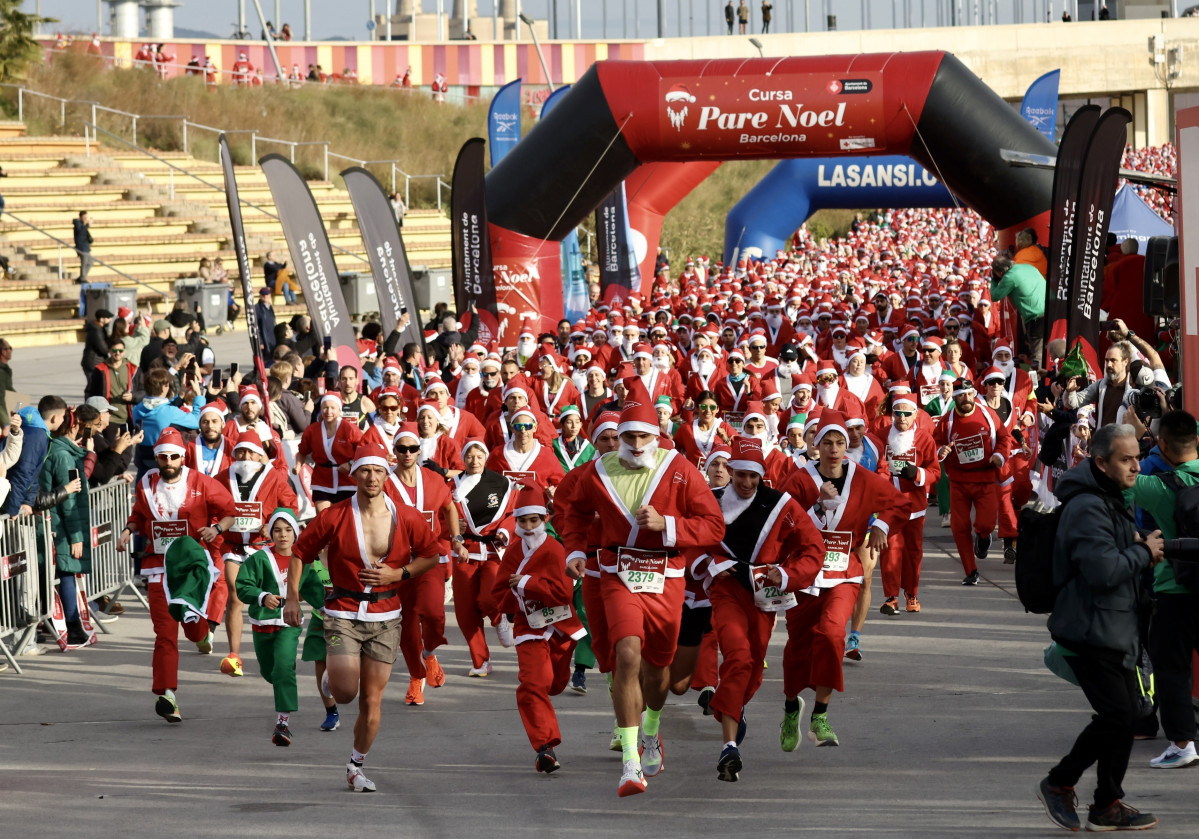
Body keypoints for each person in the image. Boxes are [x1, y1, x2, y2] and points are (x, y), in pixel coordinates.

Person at [558, 380, 725, 796]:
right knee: (626, 652)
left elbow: (713, 525)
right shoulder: (597, 472)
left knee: (658, 670)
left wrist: (668, 525)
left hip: (666, 579)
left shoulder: (680, 469)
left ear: (657, 435)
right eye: (628, 436)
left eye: (642, 436)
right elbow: (573, 512)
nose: (634, 444)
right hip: (616, 573)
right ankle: (630, 762)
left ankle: (651, 726)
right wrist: (575, 550)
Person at [285, 442, 440, 793]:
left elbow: (431, 555)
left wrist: (397, 575)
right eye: (365, 471)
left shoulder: (406, 516)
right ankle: (331, 680)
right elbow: (300, 551)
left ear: (387, 474)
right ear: (354, 474)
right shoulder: (334, 515)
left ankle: (355, 765)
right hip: (342, 612)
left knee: (372, 701)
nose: (372, 477)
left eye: (378, 471)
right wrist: (292, 597)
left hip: (386, 616)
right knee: (344, 694)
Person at [1036, 424, 1162, 832]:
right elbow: (1103, 570)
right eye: (1125, 459)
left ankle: (1107, 804)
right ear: (1101, 462)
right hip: (1089, 628)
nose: (1135, 466)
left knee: (1126, 717)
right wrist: (1143, 551)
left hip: (1113, 626)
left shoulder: (1110, 498)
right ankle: (1059, 783)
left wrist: (1140, 547)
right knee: (1117, 715)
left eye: (1136, 457)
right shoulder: (1088, 506)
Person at [777, 410, 910, 749]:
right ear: (815, 445)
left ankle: (820, 716)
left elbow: (899, 504)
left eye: (840, 442)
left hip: (844, 572)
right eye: (827, 443)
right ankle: (792, 707)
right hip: (804, 575)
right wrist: (817, 508)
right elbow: (780, 523)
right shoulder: (799, 480)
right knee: (798, 648)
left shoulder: (863, 478)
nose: (835, 449)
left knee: (833, 634)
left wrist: (880, 526)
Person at [698, 436, 823, 781]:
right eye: (741, 475)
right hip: (726, 592)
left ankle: (730, 710)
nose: (747, 482)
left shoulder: (780, 504)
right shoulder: (710, 502)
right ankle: (729, 748)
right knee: (738, 657)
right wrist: (710, 565)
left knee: (752, 670)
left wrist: (785, 574)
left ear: (762, 475)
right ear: (730, 470)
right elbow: (690, 540)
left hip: (764, 597)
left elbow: (813, 548)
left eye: (754, 476)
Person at [115, 428, 237, 722]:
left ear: (182, 457)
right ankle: (167, 695)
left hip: (192, 570)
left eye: (173, 456)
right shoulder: (146, 483)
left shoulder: (201, 483)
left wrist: (217, 528)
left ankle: (203, 633)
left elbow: (230, 510)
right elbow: (139, 515)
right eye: (162, 456)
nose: (167, 461)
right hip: (158, 569)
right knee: (165, 634)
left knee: (193, 628)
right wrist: (127, 531)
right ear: (155, 458)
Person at [491, 485, 586, 773]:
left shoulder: (556, 549)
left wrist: (526, 583)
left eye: (534, 520)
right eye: (523, 521)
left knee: (553, 684)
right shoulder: (512, 552)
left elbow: (562, 596)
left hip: (559, 627)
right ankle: (545, 747)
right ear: (516, 522)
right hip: (528, 626)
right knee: (533, 684)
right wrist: (517, 595)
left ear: (545, 519)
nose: (529, 527)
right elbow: (497, 594)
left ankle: (555, 686)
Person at [1125, 410, 1199, 770]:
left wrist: (1139, 442)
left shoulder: (1157, 487)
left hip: (1174, 591)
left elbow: (1119, 475)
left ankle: (1183, 744)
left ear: (1164, 444)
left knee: (1171, 670)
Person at [235, 508, 324, 747]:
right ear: (270, 532)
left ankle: (283, 723)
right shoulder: (258, 558)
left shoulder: (303, 560)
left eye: (288, 530)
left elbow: (313, 588)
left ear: (296, 533)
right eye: (277, 530)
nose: (283, 535)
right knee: (269, 672)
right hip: (262, 622)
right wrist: (262, 596)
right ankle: (282, 673)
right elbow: (243, 586)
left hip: (289, 623)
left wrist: (327, 609)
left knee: (283, 669)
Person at [385, 424, 458, 707]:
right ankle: (416, 679)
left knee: (433, 613)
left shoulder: (433, 479)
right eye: (401, 449)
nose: (406, 453)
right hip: (397, 563)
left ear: (419, 451)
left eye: (412, 448)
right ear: (394, 452)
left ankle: (429, 652)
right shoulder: (385, 482)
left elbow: (449, 507)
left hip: (430, 558)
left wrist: (458, 539)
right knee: (406, 626)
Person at [217, 430, 299, 677]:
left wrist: (273, 522)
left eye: (251, 452)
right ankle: (234, 655)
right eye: (240, 451)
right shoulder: (222, 477)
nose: (245, 456)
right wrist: (217, 525)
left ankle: (273, 642)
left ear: (260, 455)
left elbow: (290, 505)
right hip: (232, 546)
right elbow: (212, 505)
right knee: (235, 593)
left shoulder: (273, 478)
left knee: (264, 598)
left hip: (261, 547)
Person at [934, 378, 1012, 585]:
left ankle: (983, 536)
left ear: (975, 395)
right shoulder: (947, 421)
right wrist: (940, 451)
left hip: (985, 477)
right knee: (959, 527)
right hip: (958, 480)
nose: (966, 399)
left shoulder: (987, 414)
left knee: (986, 523)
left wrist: (999, 456)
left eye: (969, 394)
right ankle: (971, 570)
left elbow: (1005, 438)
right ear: (955, 397)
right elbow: (935, 442)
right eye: (961, 396)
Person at [452, 439, 517, 676]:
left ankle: (500, 619)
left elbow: (513, 512)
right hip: (464, 551)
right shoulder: (453, 484)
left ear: (486, 457)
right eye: (470, 456)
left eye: (479, 456)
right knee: (465, 611)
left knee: (490, 598)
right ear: (463, 458)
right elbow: (441, 515)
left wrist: (505, 531)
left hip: (492, 550)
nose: (474, 461)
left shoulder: (502, 483)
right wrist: (453, 528)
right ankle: (480, 662)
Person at [39, 407, 91, 647]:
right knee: (67, 572)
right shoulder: (62, 456)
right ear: (73, 427)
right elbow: (69, 498)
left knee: (61, 573)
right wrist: (76, 536)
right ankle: (73, 626)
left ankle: (58, 624)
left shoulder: (61, 450)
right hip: (59, 526)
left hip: (54, 524)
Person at [989, 255, 1045, 368]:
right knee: (1049, 352)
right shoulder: (1028, 267)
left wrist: (994, 280)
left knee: (1037, 356)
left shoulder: (1009, 277)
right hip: (1050, 311)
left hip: (1036, 318)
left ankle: (1039, 383)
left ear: (999, 272)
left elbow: (995, 296)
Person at [85, 337, 136, 429]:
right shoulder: (100, 370)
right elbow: (90, 391)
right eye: (114, 350)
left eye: (120, 350)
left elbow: (143, 390)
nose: (117, 353)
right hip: (109, 419)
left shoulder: (134, 369)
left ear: (124, 351)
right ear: (109, 351)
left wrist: (134, 396)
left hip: (130, 418)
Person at [81, 308, 113, 383]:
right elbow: (103, 349)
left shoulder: (100, 329)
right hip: (93, 362)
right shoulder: (96, 331)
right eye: (108, 318)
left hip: (96, 361)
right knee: (92, 387)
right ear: (101, 319)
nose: (110, 320)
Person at [255, 288, 277, 361]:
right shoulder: (257, 308)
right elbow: (256, 326)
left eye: (267, 294)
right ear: (260, 296)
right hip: (264, 339)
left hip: (272, 338)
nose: (265, 296)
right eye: (263, 295)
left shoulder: (270, 307)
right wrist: (260, 341)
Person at [73, 211, 93, 282]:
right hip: (81, 247)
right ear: (80, 217)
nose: (85, 219)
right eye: (84, 217)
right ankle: (82, 278)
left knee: (90, 262)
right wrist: (87, 225)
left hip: (86, 247)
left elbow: (85, 234)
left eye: (86, 218)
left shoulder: (83, 225)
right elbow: (81, 232)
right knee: (84, 263)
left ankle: (82, 277)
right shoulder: (78, 224)